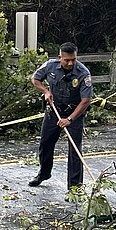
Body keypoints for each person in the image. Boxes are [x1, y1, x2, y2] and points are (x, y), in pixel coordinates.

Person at [28, 41, 93, 190]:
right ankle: (43, 174)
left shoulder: (83, 73)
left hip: (74, 114)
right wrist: (46, 91)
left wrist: (70, 119)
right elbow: (35, 79)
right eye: (67, 60)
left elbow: (86, 100)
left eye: (73, 59)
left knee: (75, 150)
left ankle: (75, 187)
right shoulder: (50, 65)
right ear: (59, 57)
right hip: (54, 112)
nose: (70, 63)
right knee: (45, 144)